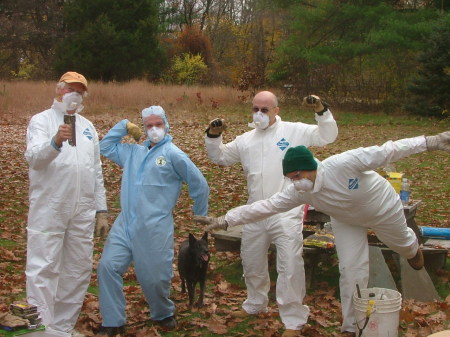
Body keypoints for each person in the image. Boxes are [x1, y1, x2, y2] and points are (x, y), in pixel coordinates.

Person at [195, 131, 450, 337]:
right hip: (345, 219)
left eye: (298, 175)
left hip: (382, 208)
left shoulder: (344, 163)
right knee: (351, 269)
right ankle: (352, 325)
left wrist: (431, 142)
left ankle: (412, 250)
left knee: (403, 245)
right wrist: (225, 219)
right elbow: (266, 206)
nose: (296, 182)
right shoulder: (298, 192)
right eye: (291, 178)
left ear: (310, 167)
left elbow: (388, 150)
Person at [204, 91, 338, 337]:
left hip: (287, 209)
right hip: (256, 210)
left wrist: (321, 110)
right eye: (255, 109)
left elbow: (327, 136)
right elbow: (219, 156)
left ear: (276, 110)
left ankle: (293, 320)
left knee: (289, 265)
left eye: (264, 110)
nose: (259, 114)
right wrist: (214, 135)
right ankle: (255, 303)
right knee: (252, 259)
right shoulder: (246, 140)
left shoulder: (294, 131)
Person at [96, 106, 209, 337]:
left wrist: (200, 213)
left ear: (166, 125)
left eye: (158, 124)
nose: (154, 129)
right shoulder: (132, 152)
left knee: (155, 279)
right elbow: (105, 146)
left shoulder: (174, 155)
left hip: (155, 227)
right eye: (149, 126)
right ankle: (113, 320)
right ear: (143, 128)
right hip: (125, 223)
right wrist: (124, 126)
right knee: (107, 267)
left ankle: (163, 312)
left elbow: (199, 183)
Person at [25, 71, 108, 336]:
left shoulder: (87, 126)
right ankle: (39, 329)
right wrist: (55, 141)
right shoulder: (41, 121)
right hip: (50, 207)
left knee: (77, 268)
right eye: (71, 88)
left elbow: (95, 170)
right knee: (44, 268)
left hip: (82, 209)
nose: (75, 94)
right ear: (59, 90)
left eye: (80, 91)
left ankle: (61, 327)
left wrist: (101, 210)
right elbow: (34, 159)